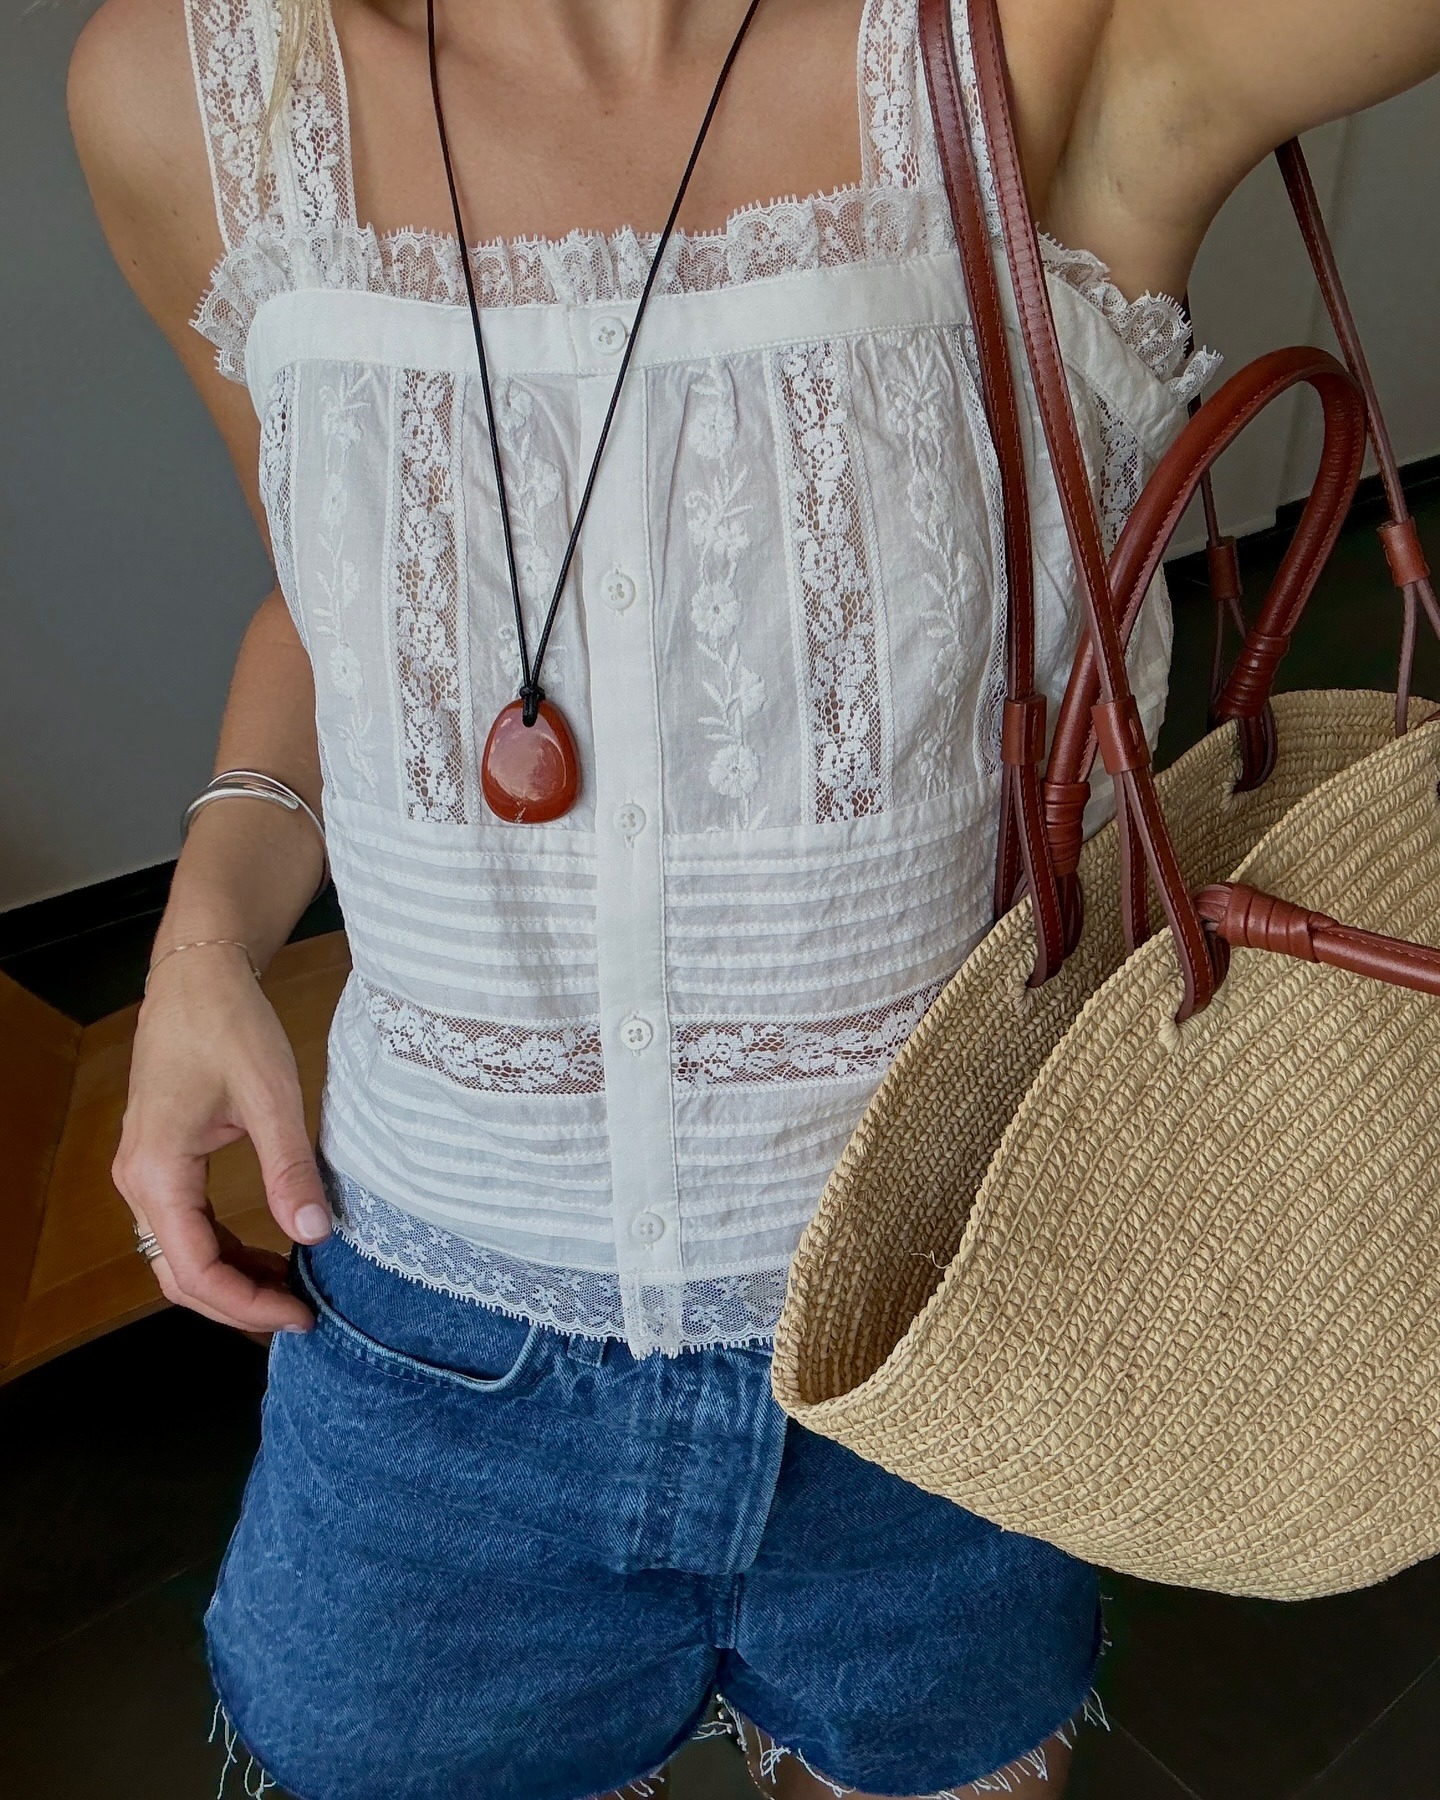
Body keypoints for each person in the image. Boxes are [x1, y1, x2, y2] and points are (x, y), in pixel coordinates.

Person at [68, 0, 1440, 1795]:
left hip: (952, 1331)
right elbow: (316, 606)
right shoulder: (195, 90)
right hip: (422, 1355)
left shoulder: (1033, 48)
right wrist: (202, 934)